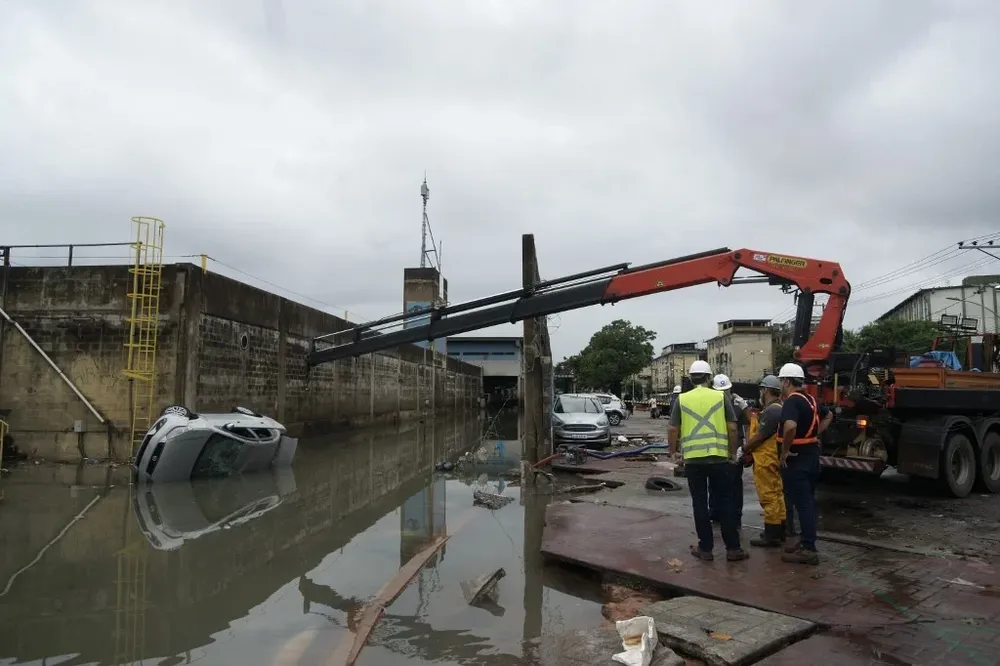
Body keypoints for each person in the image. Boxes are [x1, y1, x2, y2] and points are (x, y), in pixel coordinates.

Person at [667, 360, 749, 562]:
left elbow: (672, 429)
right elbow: (732, 427)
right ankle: (733, 549)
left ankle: (705, 549)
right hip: (719, 459)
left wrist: (673, 453)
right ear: (709, 377)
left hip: (694, 461)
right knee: (726, 501)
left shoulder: (683, 399)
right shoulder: (721, 397)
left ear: (691, 378)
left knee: (700, 503)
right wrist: (731, 453)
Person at [777, 362, 833, 565]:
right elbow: (829, 415)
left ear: (787, 381)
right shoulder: (810, 399)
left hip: (797, 459)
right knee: (807, 501)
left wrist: (784, 452)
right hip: (811, 456)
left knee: (803, 504)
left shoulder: (792, 401)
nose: (781, 385)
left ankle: (809, 547)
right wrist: (814, 434)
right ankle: (805, 541)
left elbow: (790, 426)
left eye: (781, 380)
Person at [743, 375, 787, 548]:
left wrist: (744, 449)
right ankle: (779, 529)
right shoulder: (778, 408)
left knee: (768, 497)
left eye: (762, 390)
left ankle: (772, 535)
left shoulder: (772, 411)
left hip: (766, 459)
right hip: (772, 458)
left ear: (767, 390)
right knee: (777, 495)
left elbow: (760, 437)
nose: (760, 393)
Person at [709, 373, 747, 528]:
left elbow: (744, 428)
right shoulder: (713, 405)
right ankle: (716, 513)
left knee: (733, 485)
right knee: (716, 484)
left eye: (726, 391)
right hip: (718, 451)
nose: (725, 394)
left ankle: (734, 516)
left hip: (731, 451)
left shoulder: (738, 407)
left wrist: (743, 448)